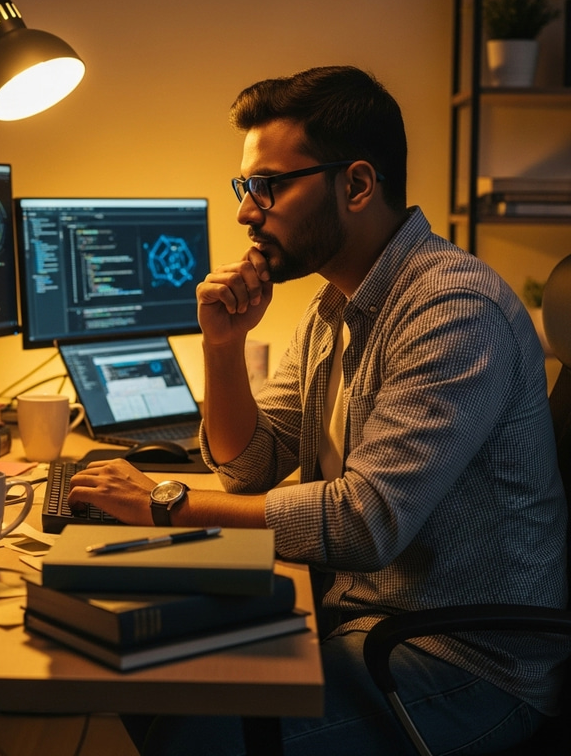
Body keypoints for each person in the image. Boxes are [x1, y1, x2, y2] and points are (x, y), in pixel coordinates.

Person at [68, 66, 568, 755]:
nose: (247, 211)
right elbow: (252, 465)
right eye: (246, 187)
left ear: (357, 185)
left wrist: (166, 502)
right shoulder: (335, 303)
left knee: (192, 731)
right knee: (144, 668)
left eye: (269, 187)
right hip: (359, 623)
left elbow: (365, 522)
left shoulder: (453, 310)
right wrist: (222, 346)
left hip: (459, 663)